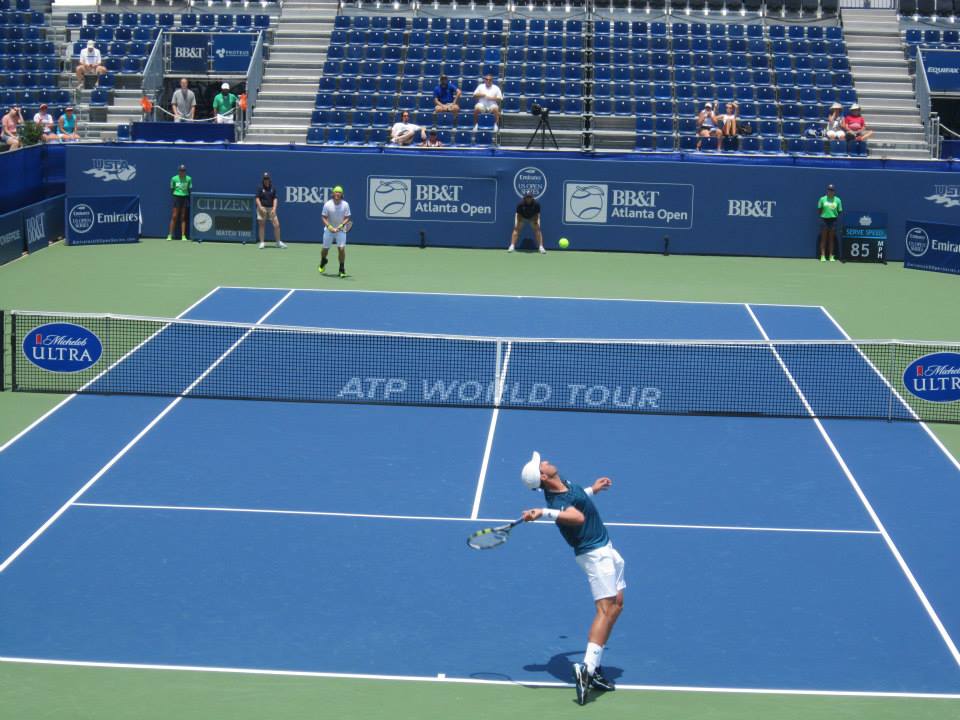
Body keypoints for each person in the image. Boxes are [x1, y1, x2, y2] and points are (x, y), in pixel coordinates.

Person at [519, 452, 625, 706]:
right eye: (541, 464)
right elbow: (577, 517)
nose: (545, 461)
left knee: (617, 604)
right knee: (604, 608)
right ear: (543, 476)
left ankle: (594, 669)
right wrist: (544, 512)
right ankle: (586, 670)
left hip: (606, 547)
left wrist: (593, 489)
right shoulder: (555, 502)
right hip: (594, 555)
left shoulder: (562, 483)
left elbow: (576, 499)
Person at [319, 185, 351, 278]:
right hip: (329, 230)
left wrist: (341, 226)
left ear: (342, 194)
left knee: (341, 249)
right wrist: (329, 227)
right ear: (333, 193)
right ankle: (323, 260)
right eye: (336, 192)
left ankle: (342, 269)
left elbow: (347, 217)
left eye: (339, 192)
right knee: (325, 249)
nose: (337, 194)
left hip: (340, 230)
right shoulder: (328, 204)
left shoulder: (345, 204)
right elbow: (323, 217)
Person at [256, 172, 286, 249]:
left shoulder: (273, 188)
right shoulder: (260, 187)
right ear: (263, 179)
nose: (266, 180)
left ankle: (278, 242)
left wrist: (274, 208)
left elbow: (275, 199)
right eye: (265, 179)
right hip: (262, 208)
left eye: (267, 179)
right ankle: (262, 242)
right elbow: (257, 198)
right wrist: (260, 207)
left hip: (271, 208)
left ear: (269, 179)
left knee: (277, 225)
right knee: (262, 225)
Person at [817, 183, 842, 263]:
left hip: (833, 220)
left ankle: (831, 256)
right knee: (823, 238)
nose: (830, 191)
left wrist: (833, 215)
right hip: (824, 220)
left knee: (831, 239)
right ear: (827, 190)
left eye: (832, 190)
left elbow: (839, 211)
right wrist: (825, 215)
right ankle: (823, 256)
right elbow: (819, 210)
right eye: (829, 190)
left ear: (834, 191)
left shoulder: (838, 200)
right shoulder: (822, 199)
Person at [168, 164, 192, 242]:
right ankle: (170, 235)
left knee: (183, 217)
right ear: (178, 171)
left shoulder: (189, 179)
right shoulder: (174, 178)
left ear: (185, 171)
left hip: (185, 198)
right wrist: (177, 194)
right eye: (181, 170)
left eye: (183, 170)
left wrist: (184, 194)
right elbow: (172, 189)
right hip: (176, 197)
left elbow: (189, 189)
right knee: (174, 216)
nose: (182, 172)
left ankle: (183, 236)